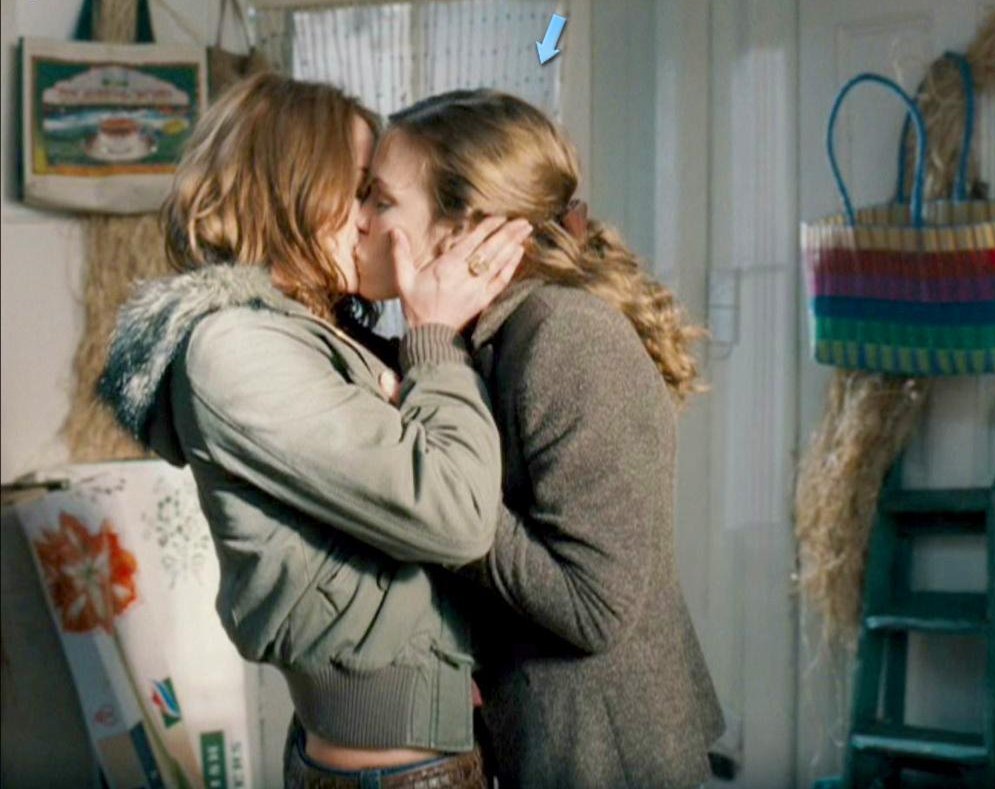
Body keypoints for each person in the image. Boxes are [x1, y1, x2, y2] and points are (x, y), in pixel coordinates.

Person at [98, 73, 532, 787]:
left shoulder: (304, 333)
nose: (370, 220)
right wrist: (433, 335)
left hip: (413, 755)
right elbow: (455, 514)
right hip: (400, 775)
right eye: (359, 190)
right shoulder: (236, 348)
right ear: (289, 186)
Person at [353, 89, 725, 787]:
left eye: (380, 200)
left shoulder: (566, 337)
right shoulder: (483, 336)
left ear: (466, 231)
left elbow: (594, 607)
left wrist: (437, 480)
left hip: (608, 762)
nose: (358, 220)